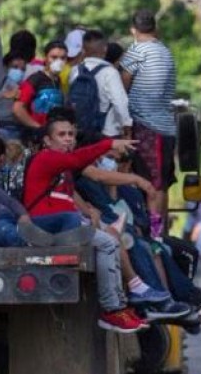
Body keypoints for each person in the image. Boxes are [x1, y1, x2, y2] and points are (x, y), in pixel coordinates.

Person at [23, 108, 149, 333]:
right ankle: (113, 310)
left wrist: (88, 213)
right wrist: (108, 145)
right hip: (46, 226)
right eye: (61, 135)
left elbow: (68, 195)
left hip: (62, 223)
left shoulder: (61, 167)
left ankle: (120, 305)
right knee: (109, 242)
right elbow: (76, 159)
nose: (68, 139)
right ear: (47, 140)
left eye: (71, 134)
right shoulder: (47, 158)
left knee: (109, 238)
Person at [119, 9, 177, 211]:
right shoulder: (165, 52)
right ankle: (159, 233)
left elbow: (122, 86)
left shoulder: (137, 50)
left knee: (153, 184)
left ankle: (154, 235)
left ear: (133, 30)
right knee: (161, 183)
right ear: (155, 29)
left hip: (147, 128)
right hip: (165, 127)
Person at [69, 29, 132, 137]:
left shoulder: (75, 70)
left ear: (83, 49)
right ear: (105, 48)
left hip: (79, 129)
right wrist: (127, 125)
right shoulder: (110, 72)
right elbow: (120, 102)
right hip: (105, 132)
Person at [12, 40, 67, 134]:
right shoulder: (34, 80)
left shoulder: (59, 81)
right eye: (54, 57)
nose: (59, 61)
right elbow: (17, 108)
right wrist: (38, 128)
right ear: (45, 58)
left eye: (62, 58)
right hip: (36, 136)